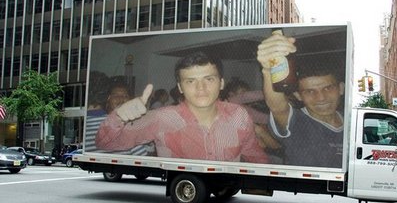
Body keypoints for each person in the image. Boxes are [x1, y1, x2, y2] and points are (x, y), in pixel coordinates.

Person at [95, 52, 269, 163]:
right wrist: (119, 116)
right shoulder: (162, 119)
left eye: (209, 79)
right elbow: (106, 144)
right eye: (191, 81)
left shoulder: (239, 115)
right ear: (180, 87)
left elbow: (256, 157)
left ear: (221, 83)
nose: (201, 88)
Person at [256, 31, 344, 168]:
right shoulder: (296, 122)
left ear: (341, 89)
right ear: (298, 95)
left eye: (327, 88)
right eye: (310, 91)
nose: (321, 98)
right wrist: (268, 70)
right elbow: (277, 107)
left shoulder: (352, 123)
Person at [85, 80, 150, 156]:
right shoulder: (90, 121)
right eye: (116, 95)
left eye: (125, 96)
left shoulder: (130, 125)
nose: (121, 99)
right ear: (108, 99)